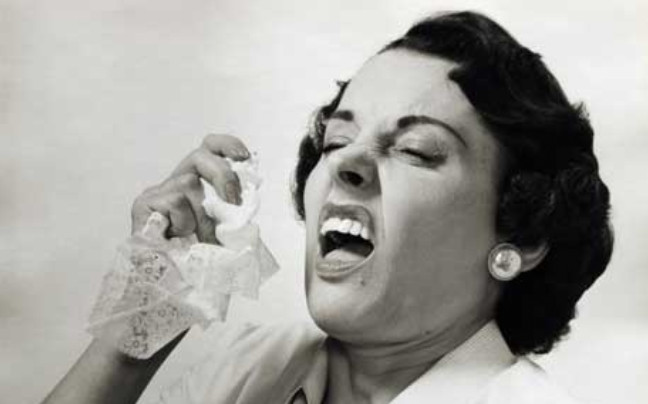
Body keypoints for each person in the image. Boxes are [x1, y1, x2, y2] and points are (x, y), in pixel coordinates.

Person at [42, 10, 613, 404]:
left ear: (522, 234)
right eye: (337, 141)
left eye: (416, 150)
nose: (346, 163)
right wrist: (136, 335)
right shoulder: (253, 365)